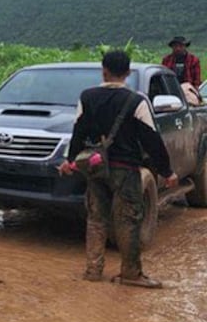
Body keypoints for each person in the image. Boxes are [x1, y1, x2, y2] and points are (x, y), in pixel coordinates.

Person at [59, 50, 178, 288]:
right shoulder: (136, 101)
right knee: (128, 221)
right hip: (126, 169)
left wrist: (70, 160)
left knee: (96, 219)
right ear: (127, 73)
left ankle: (93, 270)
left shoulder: (87, 96)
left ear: (103, 70)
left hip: (96, 168)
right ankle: (131, 274)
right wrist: (167, 171)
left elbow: (78, 133)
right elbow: (151, 140)